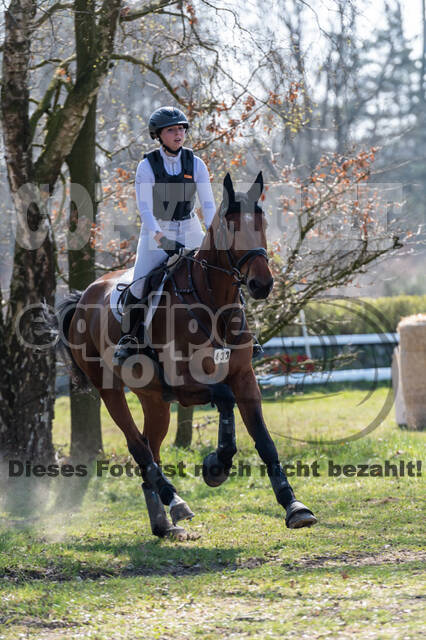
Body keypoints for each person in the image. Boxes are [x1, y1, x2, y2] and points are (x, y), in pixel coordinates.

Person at [113, 106, 216, 365]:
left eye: (181, 129)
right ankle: (130, 339)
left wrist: (217, 238)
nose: (179, 134)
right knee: (138, 283)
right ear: (159, 135)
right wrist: (161, 238)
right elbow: (145, 208)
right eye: (172, 130)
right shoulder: (147, 166)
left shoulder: (196, 163)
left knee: (219, 271)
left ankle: (239, 332)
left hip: (190, 226)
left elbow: (209, 205)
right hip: (156, 229)